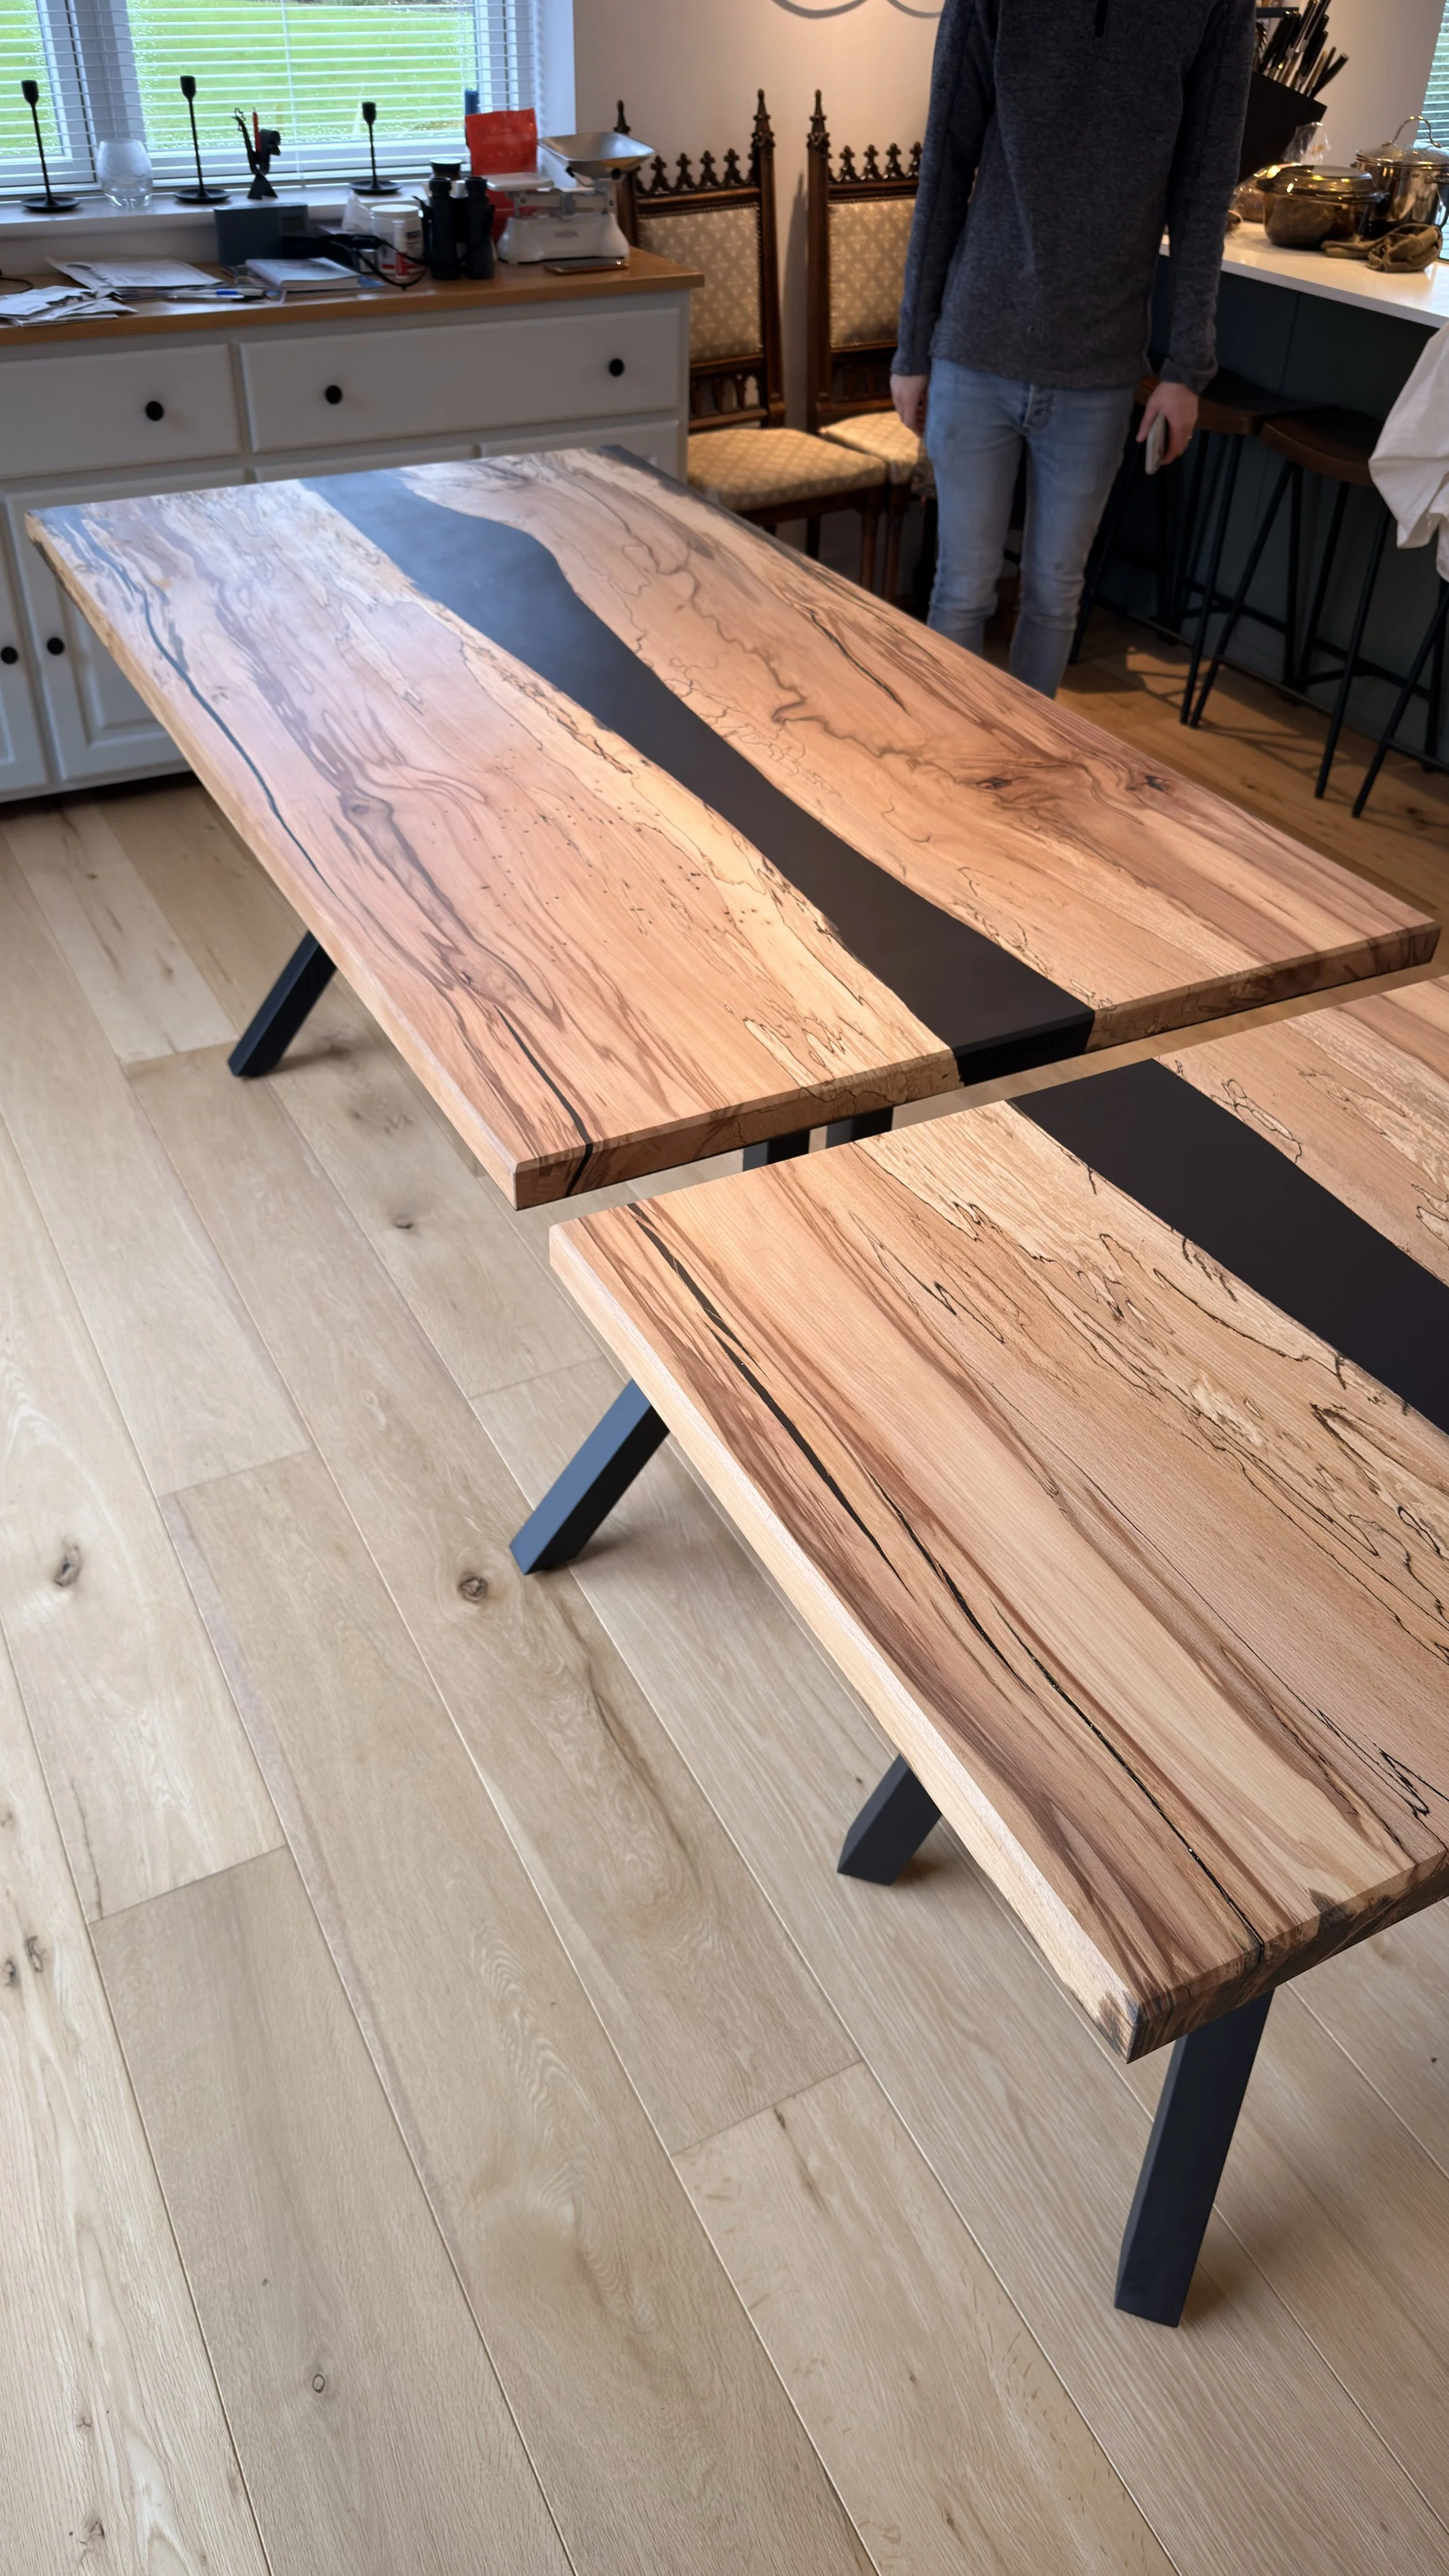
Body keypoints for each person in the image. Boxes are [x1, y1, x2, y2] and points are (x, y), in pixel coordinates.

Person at [892, 0, 1255, 697]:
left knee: (1056, 594)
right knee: (962, 590)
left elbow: (1206, 187)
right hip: (976, 344)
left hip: (1102, 362)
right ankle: (943, 775)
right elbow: (945, 159)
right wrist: (913, 346)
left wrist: (1187, 369)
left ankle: (1027, 781)